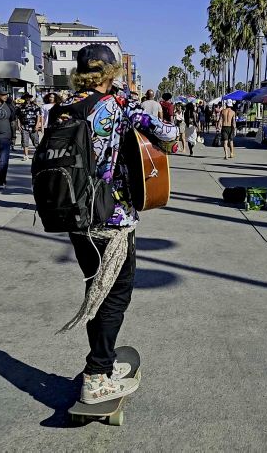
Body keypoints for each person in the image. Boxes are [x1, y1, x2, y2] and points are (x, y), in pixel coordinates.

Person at [59, 45, 177, 404]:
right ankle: (97, 375)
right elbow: (168, 134)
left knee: (97, 291)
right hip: (112, 219)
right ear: (111, 72)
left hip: (74, 215)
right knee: (114, 295)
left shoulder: (63, 109)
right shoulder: (117, 106)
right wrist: (130, 102)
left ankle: (103, 362)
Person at [16, 93, 43, 162]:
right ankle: (26, 155)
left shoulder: (35, 106)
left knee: (36, 142)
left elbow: (38, 116)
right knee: (25, 141)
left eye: (29, 98)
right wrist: (19, 125)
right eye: (26, 98)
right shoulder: (20, 107)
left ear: (30, 98)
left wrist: (37, 125)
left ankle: (39, 155)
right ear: (24, 98)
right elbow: (18, 117)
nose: (27, 99)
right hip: (24, 127)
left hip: (33, 127)